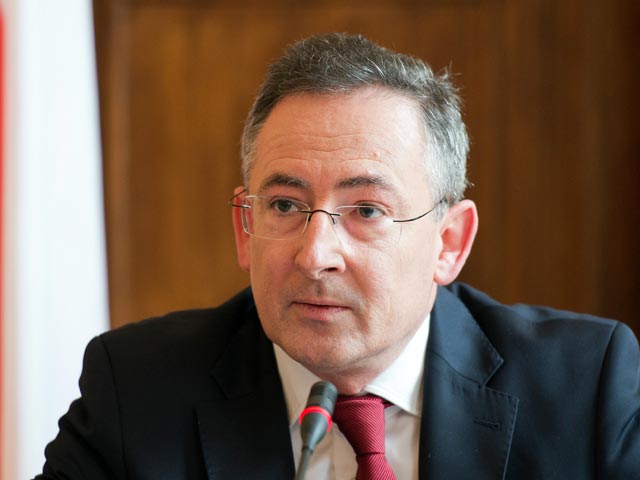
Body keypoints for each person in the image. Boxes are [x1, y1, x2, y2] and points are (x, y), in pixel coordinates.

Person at [36, 33, 639, 480]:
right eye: (284, 205)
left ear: (449, 242)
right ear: (245, 230)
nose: (315, 255)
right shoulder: (137, 390)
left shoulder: (585, 387)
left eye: (367, 210)